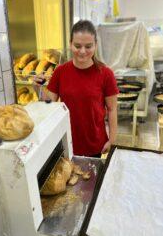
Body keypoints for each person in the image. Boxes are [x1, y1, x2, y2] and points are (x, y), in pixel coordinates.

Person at [33, 20, 118, 157]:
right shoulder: (60, 71)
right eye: (77, 46)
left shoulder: (106, 73)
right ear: (70, 44)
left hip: (94, 143)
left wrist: (112, 140)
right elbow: (50, 103)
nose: (82, 51)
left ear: (95, 45)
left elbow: (112, 109)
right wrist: (38, 88)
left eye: (88, 46)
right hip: (66, 140)